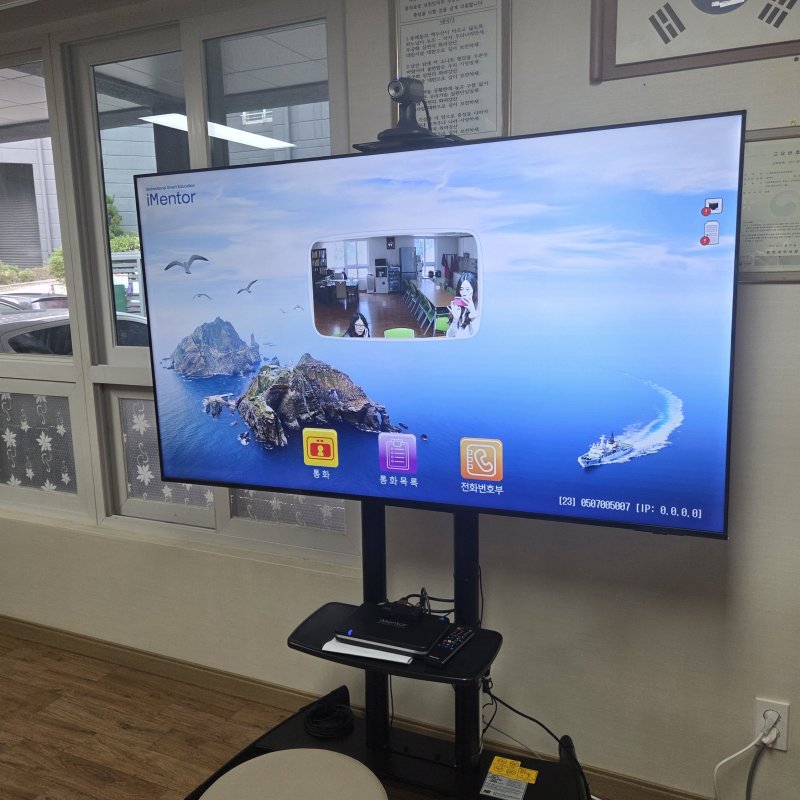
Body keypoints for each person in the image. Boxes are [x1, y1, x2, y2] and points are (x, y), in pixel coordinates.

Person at [446, 273, 478, 338]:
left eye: (467, 289)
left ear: (474, 290)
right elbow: (449, 336)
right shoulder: (458, 306)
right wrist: (455, 319)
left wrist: (473, 313)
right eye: (461, 289)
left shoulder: (479, 308)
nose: (464, 293)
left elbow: (478, 336)